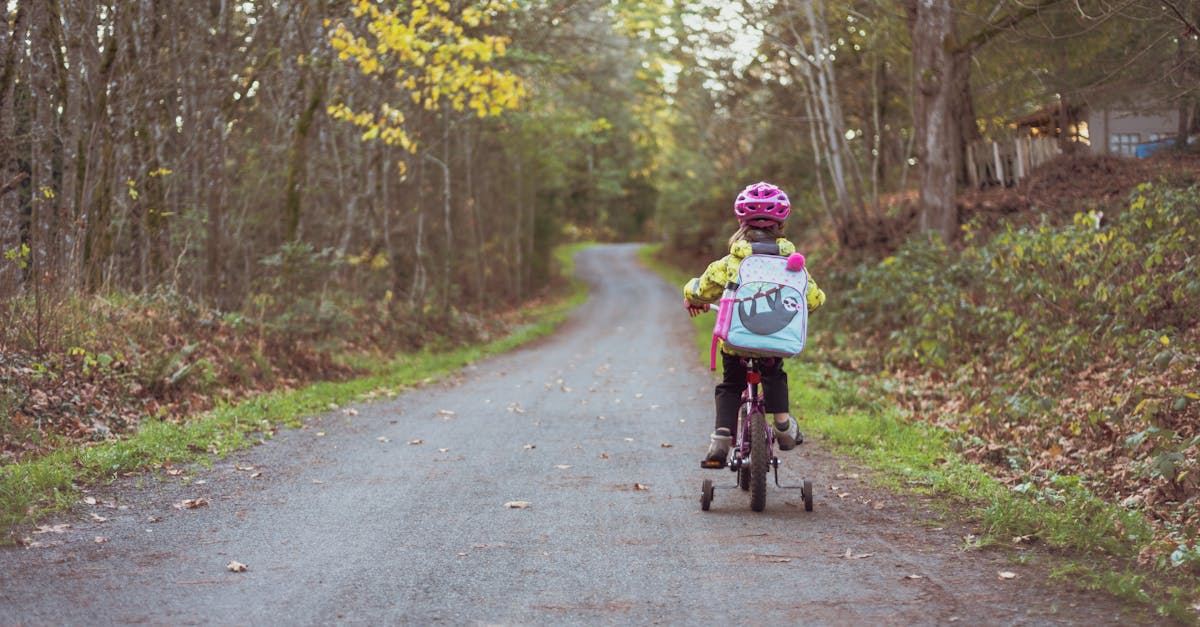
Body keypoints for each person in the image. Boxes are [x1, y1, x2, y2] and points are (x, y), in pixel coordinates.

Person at [682, 181, 826, 464]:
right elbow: (814, 299)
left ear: (741, 221)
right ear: (781, 224)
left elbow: (702, 288)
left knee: (731, 384)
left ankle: (721, 439)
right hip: (775, 344)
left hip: (737, 343)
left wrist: (691, 295)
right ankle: (783, 426)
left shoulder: (732, 262)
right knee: (774, 374)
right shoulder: (792, 264)